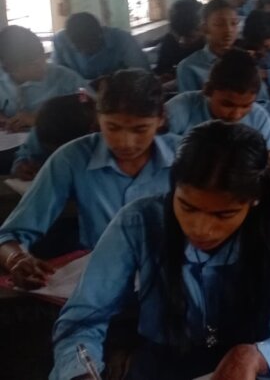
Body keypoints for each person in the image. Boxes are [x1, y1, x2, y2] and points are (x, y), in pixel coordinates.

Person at [50, 121, 270, 380]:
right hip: (163, 367)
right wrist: (80, 373)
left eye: (224, 214)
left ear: (254, 200)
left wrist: (252, 357)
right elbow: (82, 321)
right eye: (187, 207)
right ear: (173, 187)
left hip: (253, 370)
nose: (200, 229)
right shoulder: (138, 222)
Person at [0, 69, 178, 289]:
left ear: (160, 119)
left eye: (140, 129)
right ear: (98, 119)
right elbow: (11, 233)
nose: (126, 142)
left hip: (172, 279)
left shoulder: (186, 156)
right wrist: (16, 259)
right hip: (103, 285)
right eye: (112, 127)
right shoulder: (72, 158)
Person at [165, 49, 270, 163]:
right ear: (207, 91)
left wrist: (267, 157)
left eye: (246, 106)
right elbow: (159, 146)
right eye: (227, 105)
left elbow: (261, 158)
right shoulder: (179, 109)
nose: (236, 115)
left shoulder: (260, 119)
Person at [0, 26, 87, 131]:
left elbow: (89, 107)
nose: (42, 66)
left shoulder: (68, 79)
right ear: (10, 68)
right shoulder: (2, 82)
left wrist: (42, 120)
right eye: (33, 64)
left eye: (42, 57)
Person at [11, 93, 96, 181]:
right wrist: (20, 165)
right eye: (52, 150)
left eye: (62, 150)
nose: (58, 155)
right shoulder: (41, 132)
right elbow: (24, 154)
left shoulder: (100, 137)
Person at [52, 12, 149, 79]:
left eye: (89, 47)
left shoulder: (122, 39)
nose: (84, 52)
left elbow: (143, 74)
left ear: (100, 35)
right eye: (78, 48)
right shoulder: (60, 41)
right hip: (79, 93)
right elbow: (57, 78)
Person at [177, 0, 242, 93]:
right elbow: (189, 101)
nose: (229, 30)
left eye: (234, 23)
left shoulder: (244, 60)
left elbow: (261, 98)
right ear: (204, 29)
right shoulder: (188, 67)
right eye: (219, 24)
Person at [154, 0, 205, 82]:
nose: (182, 41)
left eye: (189, 36)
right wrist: (164, 76)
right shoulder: (169, 40)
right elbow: (161, 69)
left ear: (203, 28)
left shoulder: (211, 44)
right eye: (178, 36)